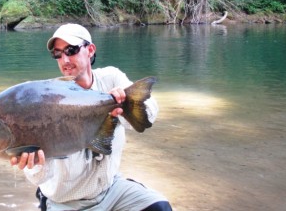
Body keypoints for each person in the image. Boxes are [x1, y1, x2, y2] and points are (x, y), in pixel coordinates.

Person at [10, 23, 172, 211]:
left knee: (159, 208)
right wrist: (34, 165)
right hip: (65, 202)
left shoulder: (111, 78)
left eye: (71, 50)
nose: (65, 59)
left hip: (110, 190)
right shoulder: (48, 101)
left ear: (90, 50)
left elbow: (149, 115)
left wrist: (124, 105)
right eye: (58, 54)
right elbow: (41, 178)